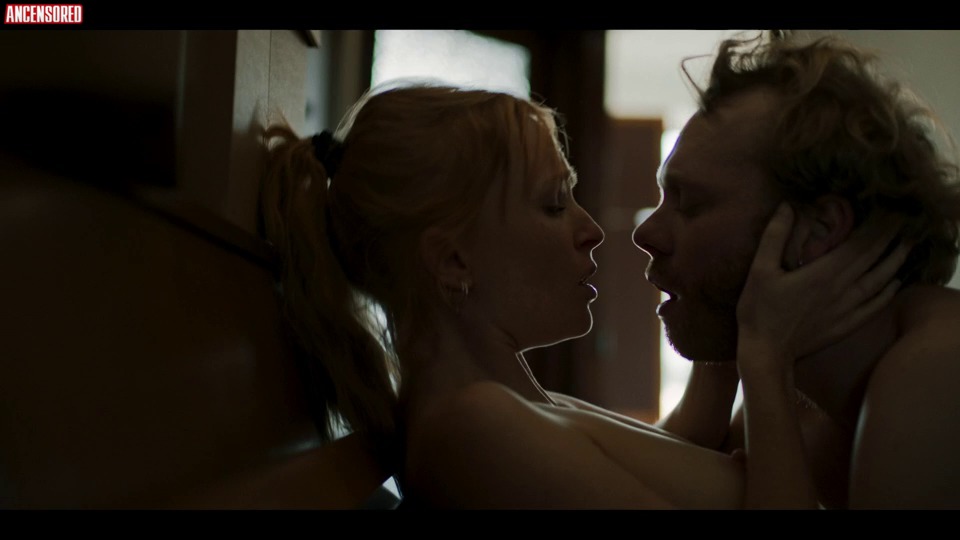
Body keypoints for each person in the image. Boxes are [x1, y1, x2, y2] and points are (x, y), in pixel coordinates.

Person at [259, 82, 903, 509]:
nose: (592, 230)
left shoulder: (511, 402)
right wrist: (766, 357)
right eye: (554, 203)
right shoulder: (474, 428)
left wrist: (730, 293)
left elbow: (686, 447)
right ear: (454, 260)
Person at [635, 33, 960, 509]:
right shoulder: (799, 409)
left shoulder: (937, 369)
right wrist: (735, 366)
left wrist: (762, 360)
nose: (646, 234)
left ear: (819, 229)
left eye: (691, 204)